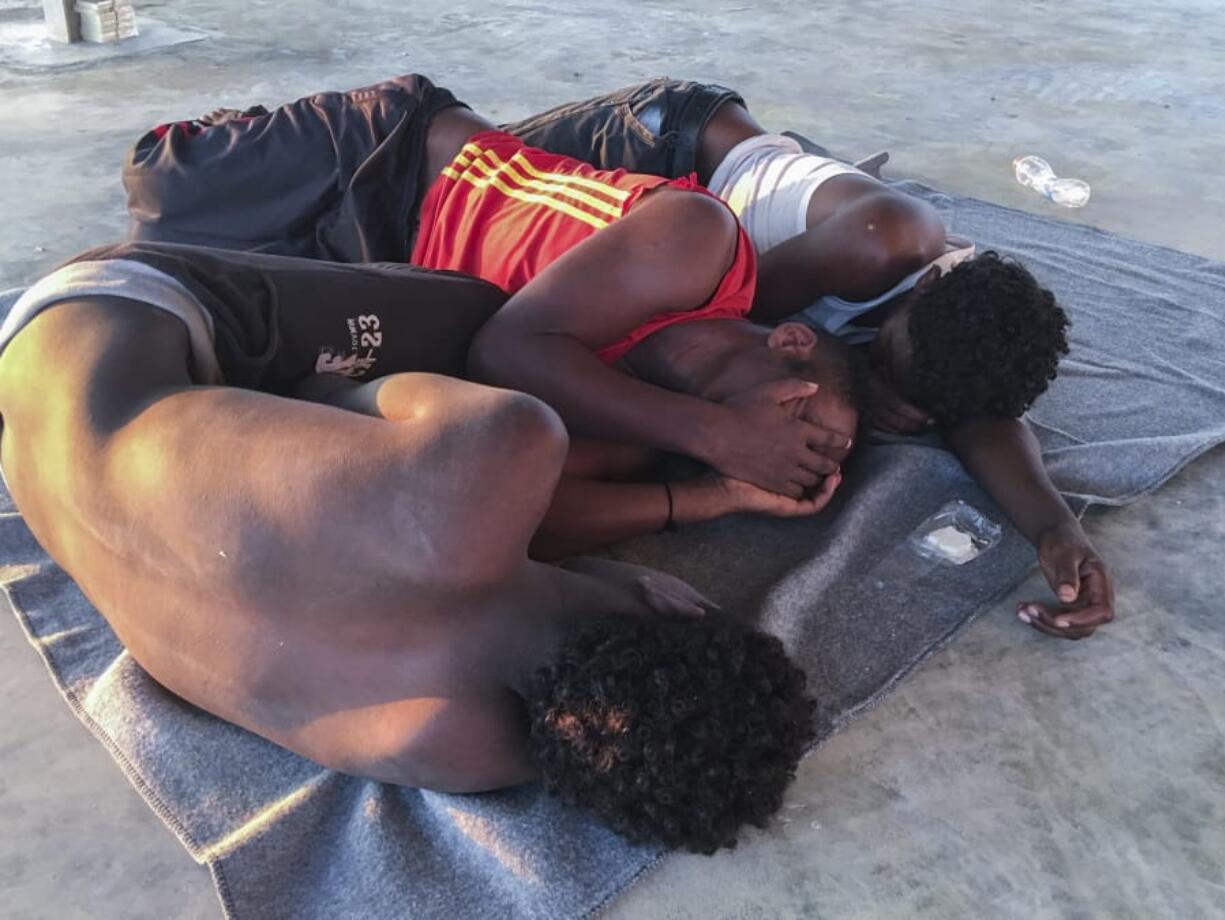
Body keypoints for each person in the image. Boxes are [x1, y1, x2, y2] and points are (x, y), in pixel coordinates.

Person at [0, 244, 817, 853]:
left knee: (479, 316)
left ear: (678, 599)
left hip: (107, 311)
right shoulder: (455, 748)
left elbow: (313, 398)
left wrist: (640, 468)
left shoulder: (502, 448)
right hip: (32, 469)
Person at [122, 75, 861, 542]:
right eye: (797, 422)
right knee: (159, 184)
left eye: (795, 461)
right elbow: (507, 349)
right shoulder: (704, 245)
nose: (773, 449)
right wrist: (717, 432)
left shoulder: (635, 423)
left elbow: (513, 510)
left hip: (378, 269)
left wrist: (717, 493)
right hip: (398, 158)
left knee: (163, 279)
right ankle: (255, 125)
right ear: (791, 342)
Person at [503, 78, 1114, 640]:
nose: (894, 398)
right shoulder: (885, 242)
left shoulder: (942, 341)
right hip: (662, 145)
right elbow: (724, 316)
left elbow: (986, 420)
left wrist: (1055, 530)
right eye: (885, 366)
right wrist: (839, 384)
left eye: (929, 409)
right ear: (925, 287)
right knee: (459, 163)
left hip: (657, 219)